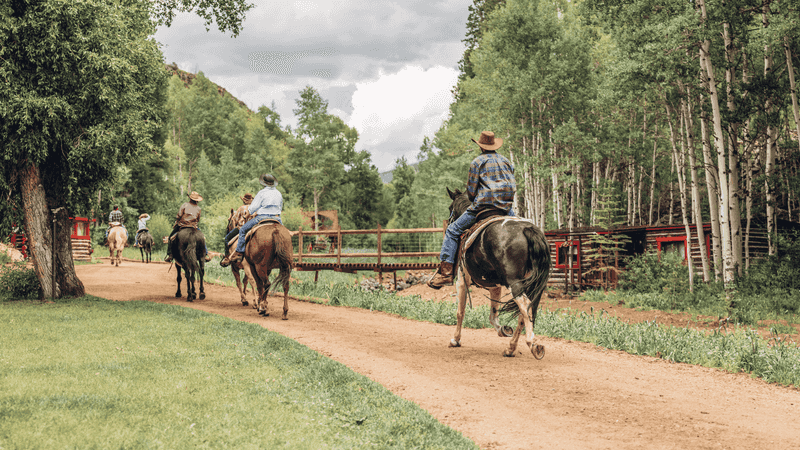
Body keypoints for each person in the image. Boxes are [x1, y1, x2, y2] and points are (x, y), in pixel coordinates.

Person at [428, 131, 517, 289]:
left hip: (483, 207)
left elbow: (470, 193)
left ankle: (446, 274)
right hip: (506, 208)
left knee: (452, 230)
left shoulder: (477, 162)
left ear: (481, 146)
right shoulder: (506, 161)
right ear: (494, 145)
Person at [220, 174, 282, 267]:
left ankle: (239, 252)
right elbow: (280, 207)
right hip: (277, 218)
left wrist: (247, 216)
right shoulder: (278, 193)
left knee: (243, 230)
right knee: (285, 233)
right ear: (273, 183)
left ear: (264, 183)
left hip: (262, 217)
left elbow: (252, 208)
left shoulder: (262, 193)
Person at [164, 191, 212, 263]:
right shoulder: (199, 208)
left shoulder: (184, 205)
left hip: (182, 226)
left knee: (171, 238)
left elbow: (179, 215)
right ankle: (205, 254)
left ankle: (170, 255)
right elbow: (198, 219)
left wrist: (177, 222)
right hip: (193, 227)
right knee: (202, 237)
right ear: (197, 200)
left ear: (190, 199)